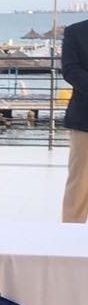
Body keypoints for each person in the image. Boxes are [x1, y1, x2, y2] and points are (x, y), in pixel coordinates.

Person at [61, 18, 88, 222]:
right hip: (85, 118)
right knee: (79, 183)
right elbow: (70, 70)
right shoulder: (75, 31)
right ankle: (70, 231)